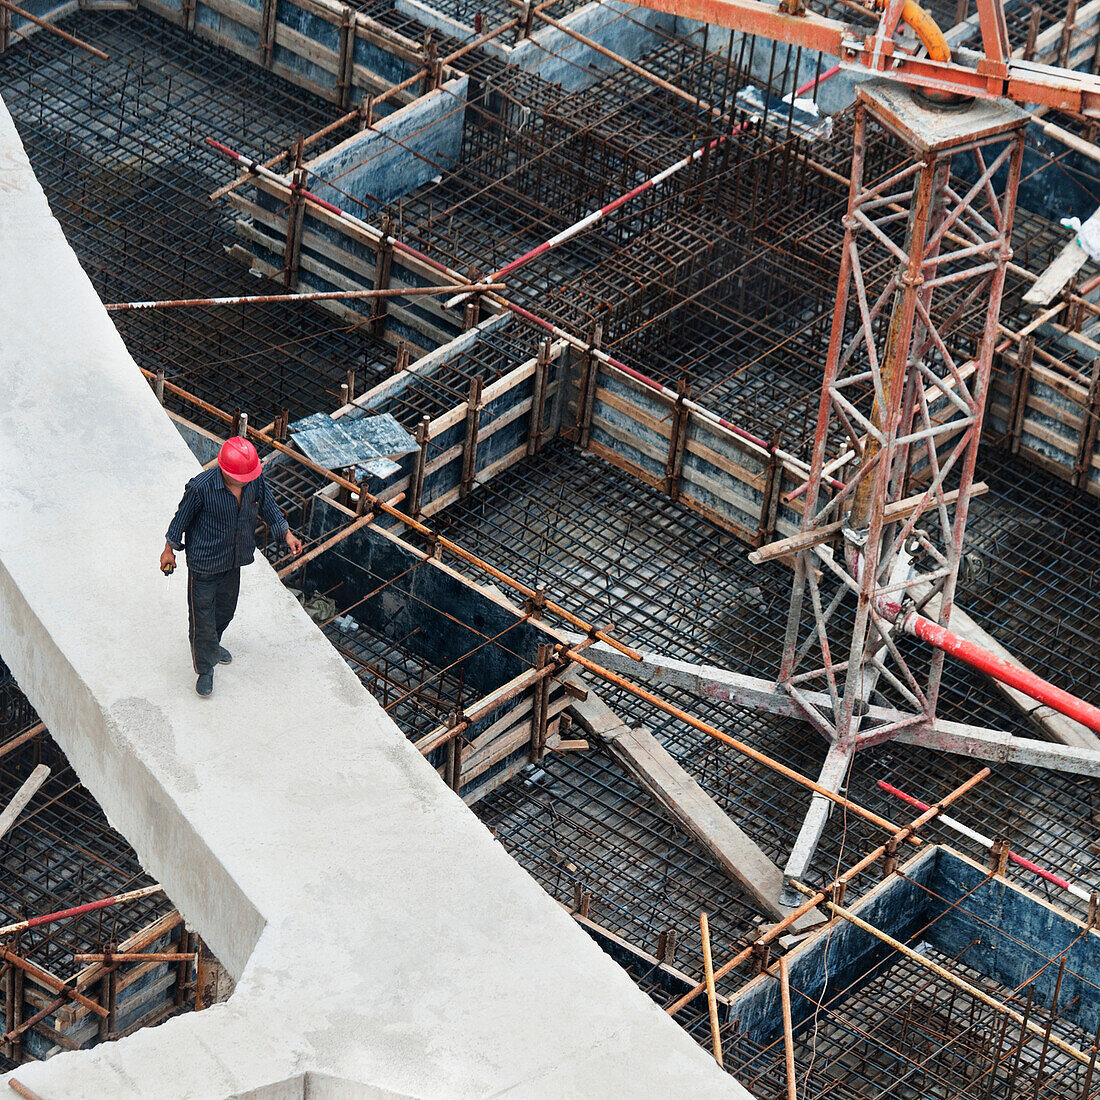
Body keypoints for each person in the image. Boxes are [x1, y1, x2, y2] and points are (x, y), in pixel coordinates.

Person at [160, 437, 303, 697]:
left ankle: (213, 644)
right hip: (204, 564)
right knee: (202, 619)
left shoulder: (253, 481)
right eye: (242, 476)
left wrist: (287, 534)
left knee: (226, 610)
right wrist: (169, 550)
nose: (246, 480)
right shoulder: (201, 488)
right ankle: (205, 668)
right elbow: (179, 520)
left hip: (233, 560)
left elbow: (270, 508)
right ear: (226, 471)